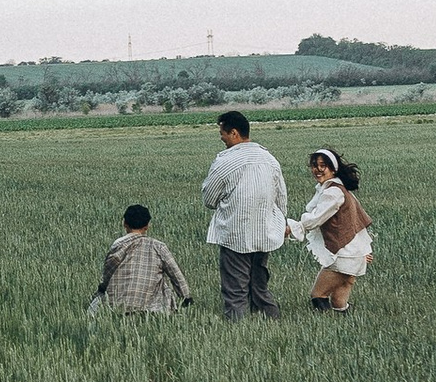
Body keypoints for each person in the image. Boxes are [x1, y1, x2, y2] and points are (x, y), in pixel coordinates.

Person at [200, 111, 288, 320]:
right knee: (260, 285)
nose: (221, 137)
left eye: (222, 133)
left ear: (234, 133)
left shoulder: (225, 161)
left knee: (235, 289)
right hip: (265, 232)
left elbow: (209, 199)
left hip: (235, 233)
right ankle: (272, 321)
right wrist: (281, 222)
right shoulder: (269, 158)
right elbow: (281, 196)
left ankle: (237, 328)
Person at [295, 148, 373, 311]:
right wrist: (363, 251)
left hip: (344, 256)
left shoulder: (333, 192)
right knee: (338, 302)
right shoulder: (340, 188)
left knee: (318, 294)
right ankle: (349, 327)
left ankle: (321, 331)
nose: (317, 169)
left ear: (333, 168)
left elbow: (316, 218)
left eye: (323, 165)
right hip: (353, 254)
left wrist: (294, 227)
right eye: (314, 165)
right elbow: (355, 222)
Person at [89, 203, 192, 323]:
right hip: (150, 306)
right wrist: (186, 298)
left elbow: (108, 271)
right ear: (147, 226)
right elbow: (176, 275)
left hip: (118, 304)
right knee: (161, 283)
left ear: (124, 224)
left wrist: (103, 288)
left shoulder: (118, 246)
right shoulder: (158, 246)